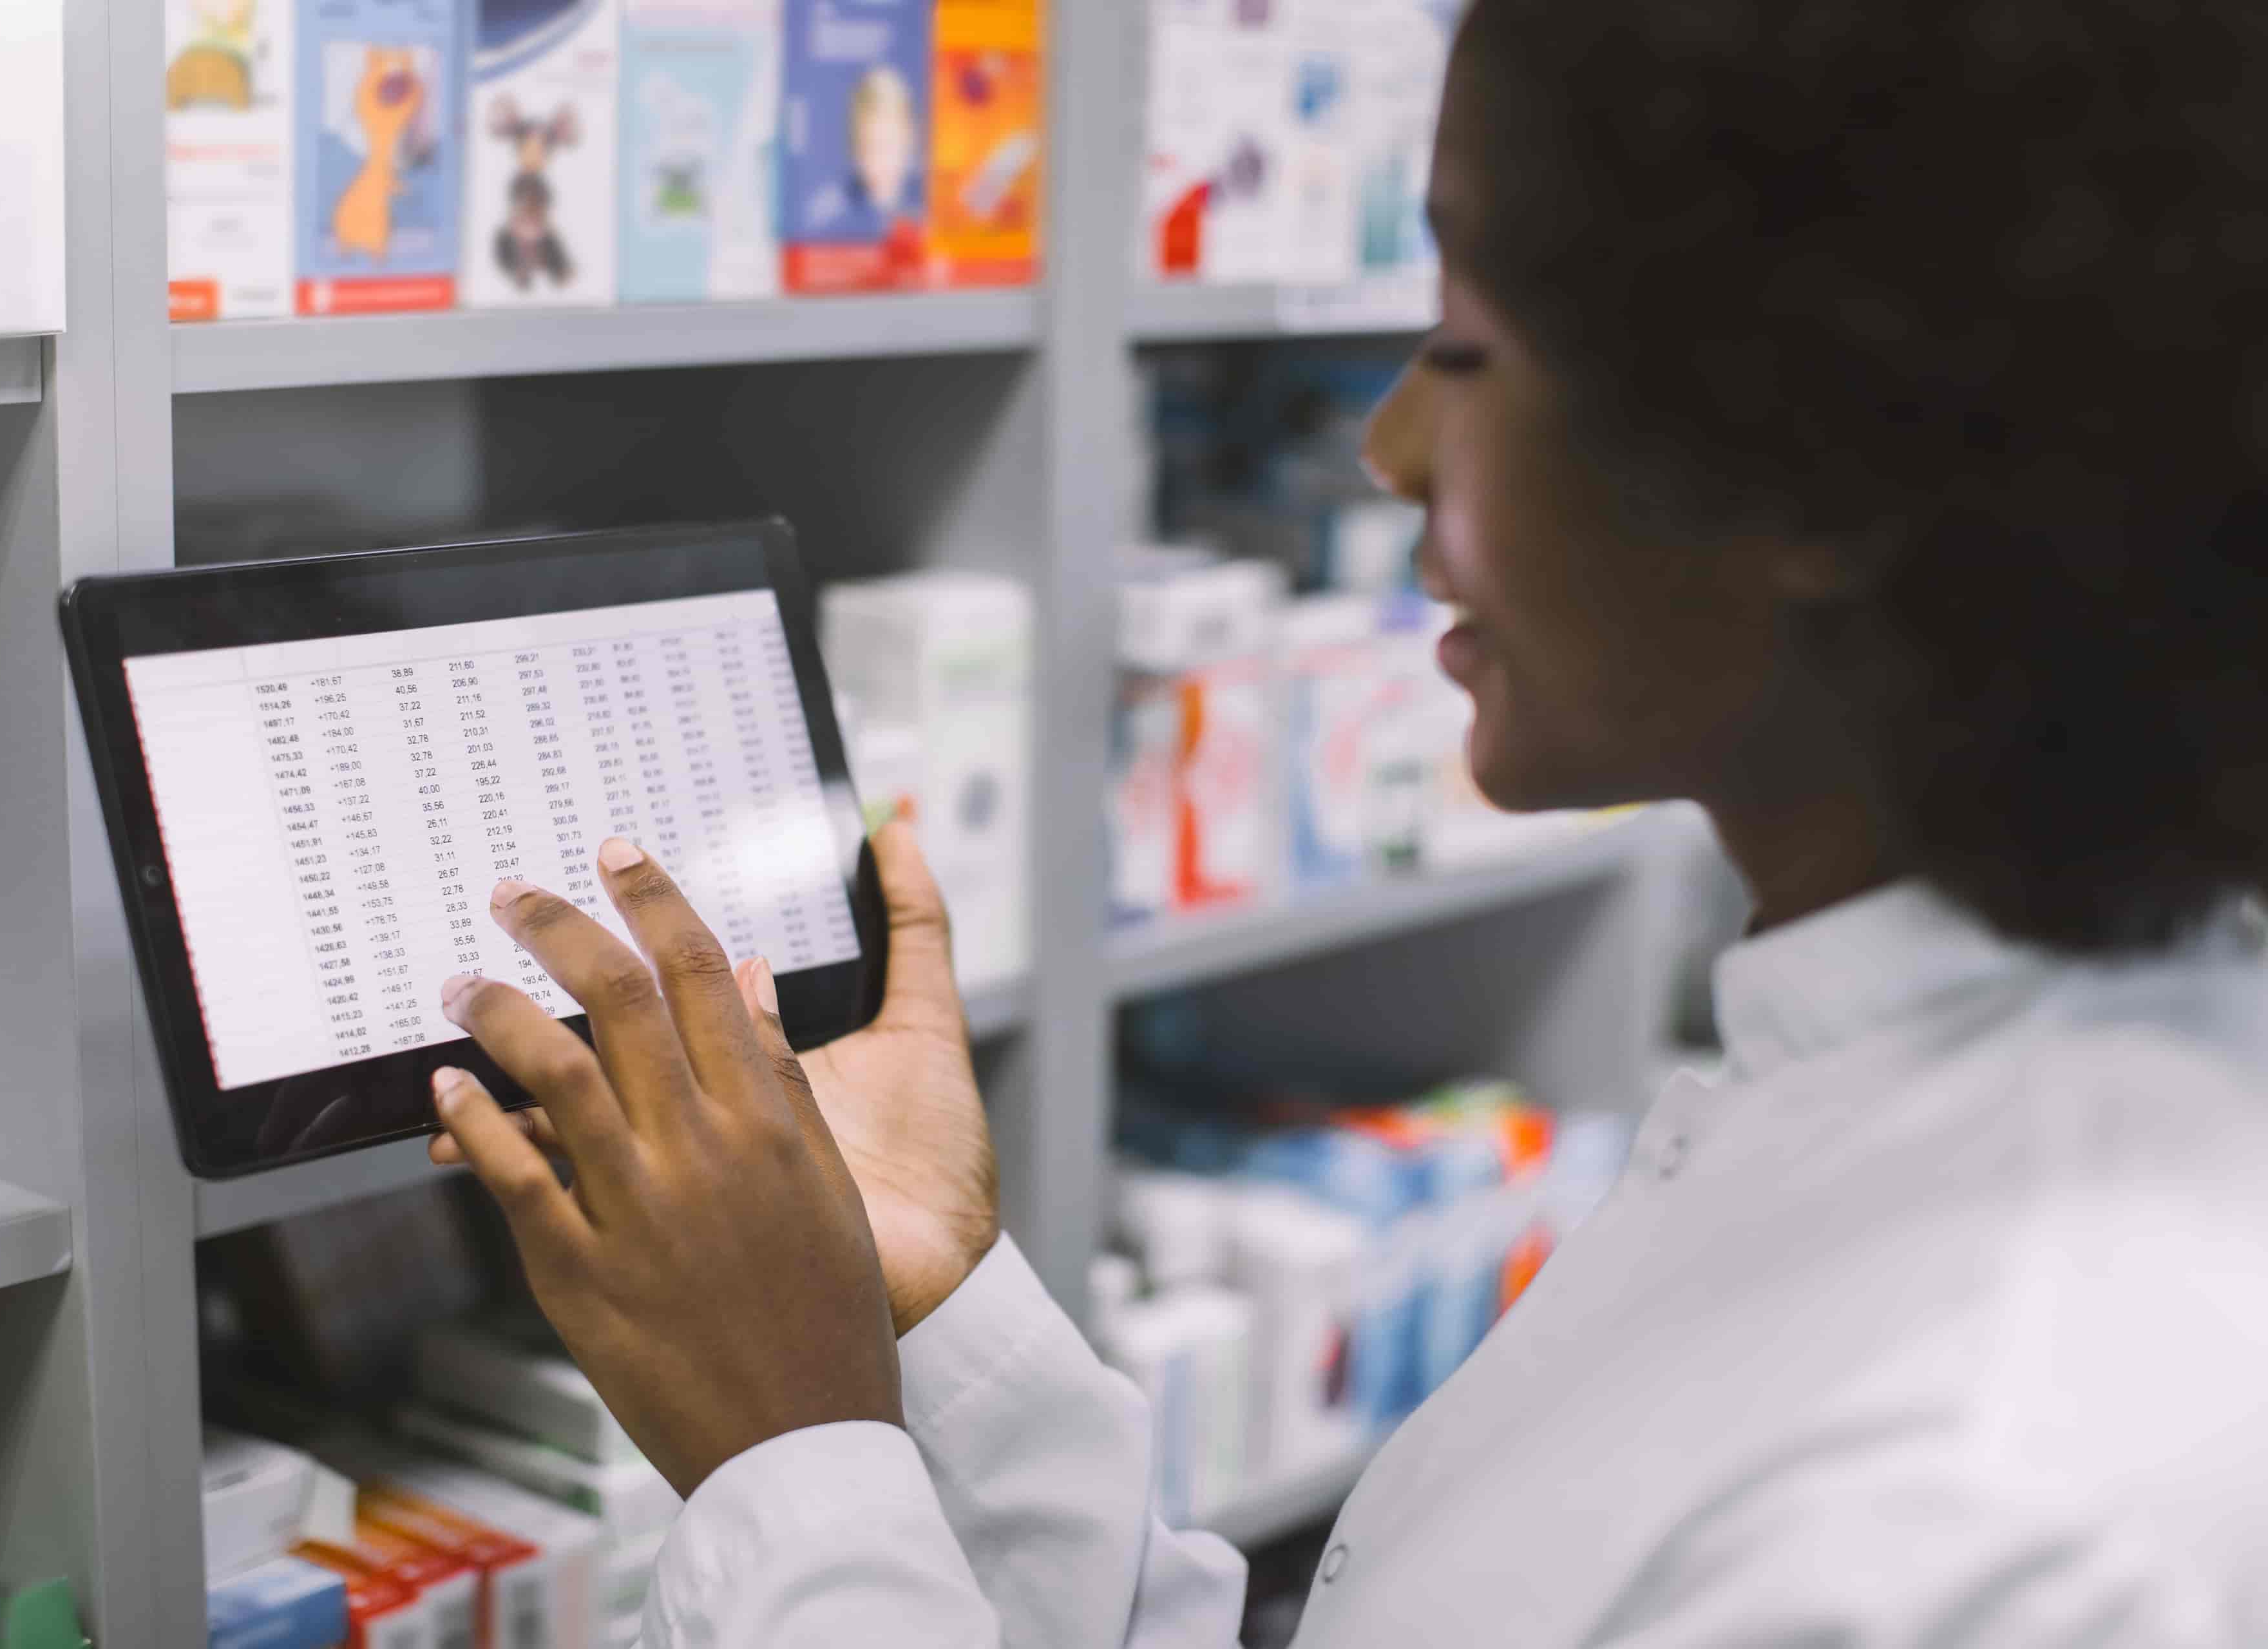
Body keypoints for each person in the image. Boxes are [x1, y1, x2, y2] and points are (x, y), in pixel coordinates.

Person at [424, 0, 2268, 1641]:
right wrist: (931, 1321)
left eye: (1463, 348)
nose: (1385, 451)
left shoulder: (1992, 1495)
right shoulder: (1926, 1098)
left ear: (1822, 457)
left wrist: (794, 1462)